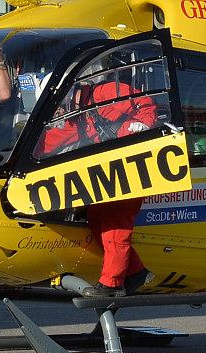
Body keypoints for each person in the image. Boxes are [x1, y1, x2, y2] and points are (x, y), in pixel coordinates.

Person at [37, 78, 156, 297]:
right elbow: (51, 140)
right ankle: (136, 272)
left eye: (59, 105)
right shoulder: (78, 117)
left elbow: (145, 104)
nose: (59, 111)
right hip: (111, 172)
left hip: (134, 166)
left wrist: (144, 125)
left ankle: (112, 285)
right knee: (96, 217)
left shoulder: (105, 93)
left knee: (115, 227)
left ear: (67, 93)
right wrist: (17, 154)